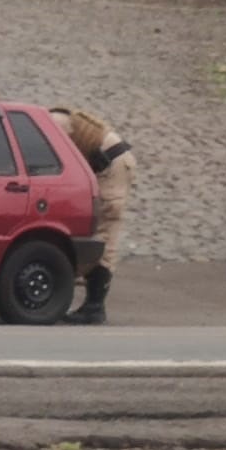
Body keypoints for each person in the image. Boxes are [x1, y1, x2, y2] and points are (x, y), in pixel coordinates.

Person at [49, 107, 135, 325]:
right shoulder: (55, 120)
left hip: (111, 166)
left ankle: (95, 306)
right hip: (106, 162)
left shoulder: (54, 124)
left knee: (104, 231)